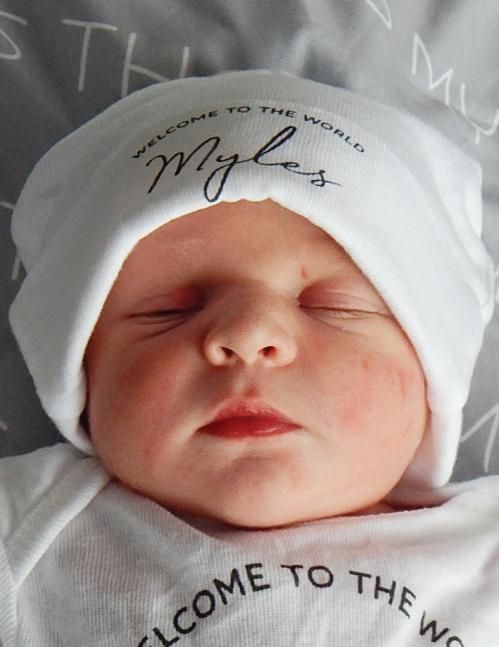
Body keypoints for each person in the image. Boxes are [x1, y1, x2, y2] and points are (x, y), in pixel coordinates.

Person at [1, 69, 498, 646]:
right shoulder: (27, 527)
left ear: (435, 370)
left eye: (331, 305)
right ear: (84, 373)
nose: (247, 333)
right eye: (168, 310)